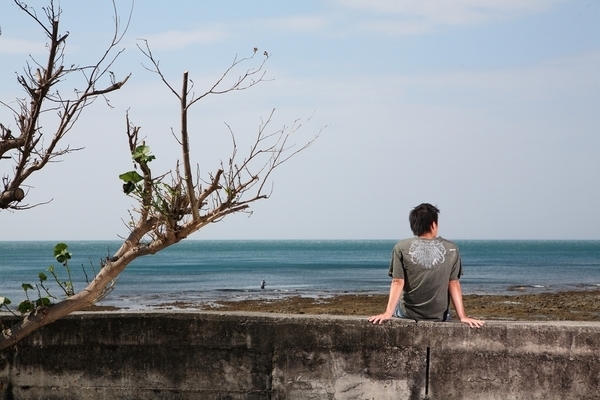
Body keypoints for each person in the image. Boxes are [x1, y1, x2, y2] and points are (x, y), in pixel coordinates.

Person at [368, 203, 484, 328]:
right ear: (434, 224)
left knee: (399, 309)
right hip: (440, 316)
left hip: (408, 314)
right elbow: (453, 283)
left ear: (414, 226)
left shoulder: (401, 247)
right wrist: (463, 316)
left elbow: (397, 281)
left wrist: (388, 313)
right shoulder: (451, 248)